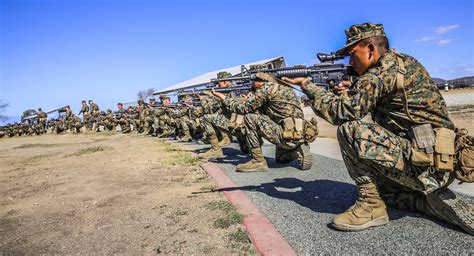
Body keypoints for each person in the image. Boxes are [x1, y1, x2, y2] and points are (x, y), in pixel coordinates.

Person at [283, 22, 473, 234]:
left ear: (371, 50)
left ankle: (371, 207)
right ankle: (421, 201)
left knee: (351, 131)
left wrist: (307, 86)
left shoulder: (379, 73)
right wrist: (354, 87)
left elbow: (341, 112)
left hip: (428, 165)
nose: (351, 61)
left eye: (353, 54)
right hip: (440, 160)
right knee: (388, 194)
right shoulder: (403, 62)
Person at [211, 72, 315, 172]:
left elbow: (243, 108)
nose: (252, 84)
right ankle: (298, 150)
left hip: (285, 133)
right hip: (300, 131)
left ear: (261, 82)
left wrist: (223, 97)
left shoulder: (266, 89)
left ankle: (258, 161)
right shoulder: (285, 88)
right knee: (280, 159)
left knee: (250, 117)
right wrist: (251, 98)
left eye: (253, 81)